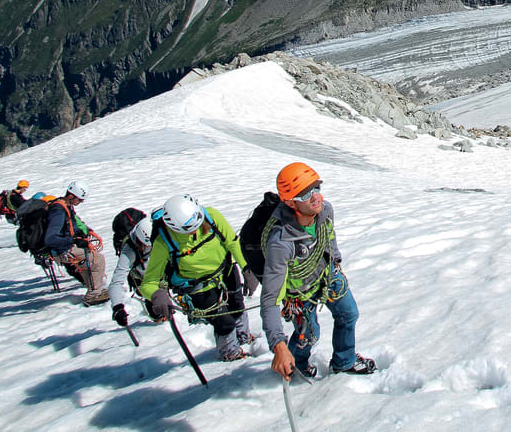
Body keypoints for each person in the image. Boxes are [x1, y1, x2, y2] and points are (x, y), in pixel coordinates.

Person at [260, 162, 375, 379]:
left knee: (348, 314)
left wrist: (335, 261)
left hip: (327, 275)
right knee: (309, 335)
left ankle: (344, 361)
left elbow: (328, 237)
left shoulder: (325, 210)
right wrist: (278, 345)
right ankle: (296, 365)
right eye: (305, 194)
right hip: (299, 292)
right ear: (290, 201)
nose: (315, 197)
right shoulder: (281, 243)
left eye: (316, 188)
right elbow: (270, 299)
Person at [139, 194, 258, 362]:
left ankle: (244, 337)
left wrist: (247, 268)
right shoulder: (164, 242)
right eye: (189, 230)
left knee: (237, 305)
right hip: (198, 287)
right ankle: (231, 354)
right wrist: (156, 295)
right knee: (224, 321)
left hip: (226, 271)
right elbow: (149, 282)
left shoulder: (212, 216)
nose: (196, 231)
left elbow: (232, 242)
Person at [43, 180, 109, 305]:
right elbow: (50, 238)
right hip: (61, 250)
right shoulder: (59, 211)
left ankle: (94, 289)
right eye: (79, 199)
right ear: (71, 196)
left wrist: (82, 234)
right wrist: (73, 240)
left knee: (89, 258)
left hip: (64, 247)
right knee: (97, 260)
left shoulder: (65, 206)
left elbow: (71, 226)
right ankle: (93, 294)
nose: (81, 202)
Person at [109, 218, 162, 327]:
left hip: (159, 273)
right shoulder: (129, 252)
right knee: (157, 311)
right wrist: (118, 307)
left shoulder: (158, 235)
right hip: (145, 280)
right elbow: (116, 282)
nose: (149, 247)